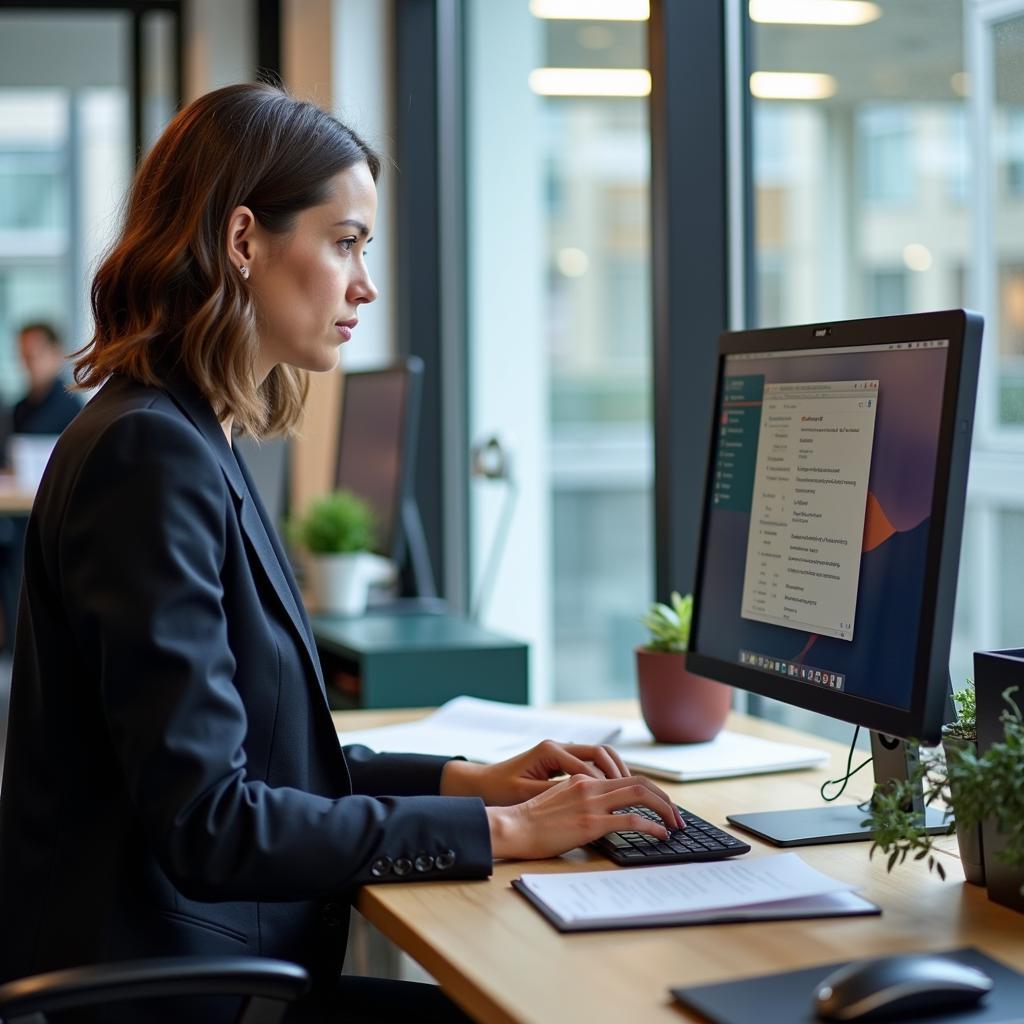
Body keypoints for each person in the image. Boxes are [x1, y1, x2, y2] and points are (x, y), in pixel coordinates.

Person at [0, 84, 681, 1023]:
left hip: (207, 962)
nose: (365, 282)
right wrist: (503, 829)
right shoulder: (148, 452)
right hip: (175, 994)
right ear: (243, 241)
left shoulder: (187, 435)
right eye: (346, 242)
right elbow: (212, 819)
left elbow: (263, 766)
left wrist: (465, 782)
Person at [13, 321, 83, 434]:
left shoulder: (71, 410)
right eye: (24, 356)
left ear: (56, 354)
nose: (29, 363)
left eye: (36, 354)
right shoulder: (20, 409)